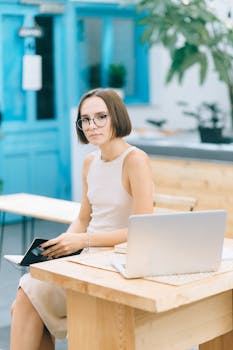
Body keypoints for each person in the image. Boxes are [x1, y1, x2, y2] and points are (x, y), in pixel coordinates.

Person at [10, 88, 154, 350]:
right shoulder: (90, 162)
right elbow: (83, 218)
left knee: (26, 299)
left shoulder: (135, 160)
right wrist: (60, 244)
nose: (92, 125)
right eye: (85, 119)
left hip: (117, 262)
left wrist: (83, 239)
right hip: (86, 256)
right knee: (27, 295)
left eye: (100, 116)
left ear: (116, 117)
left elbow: (143, 229)